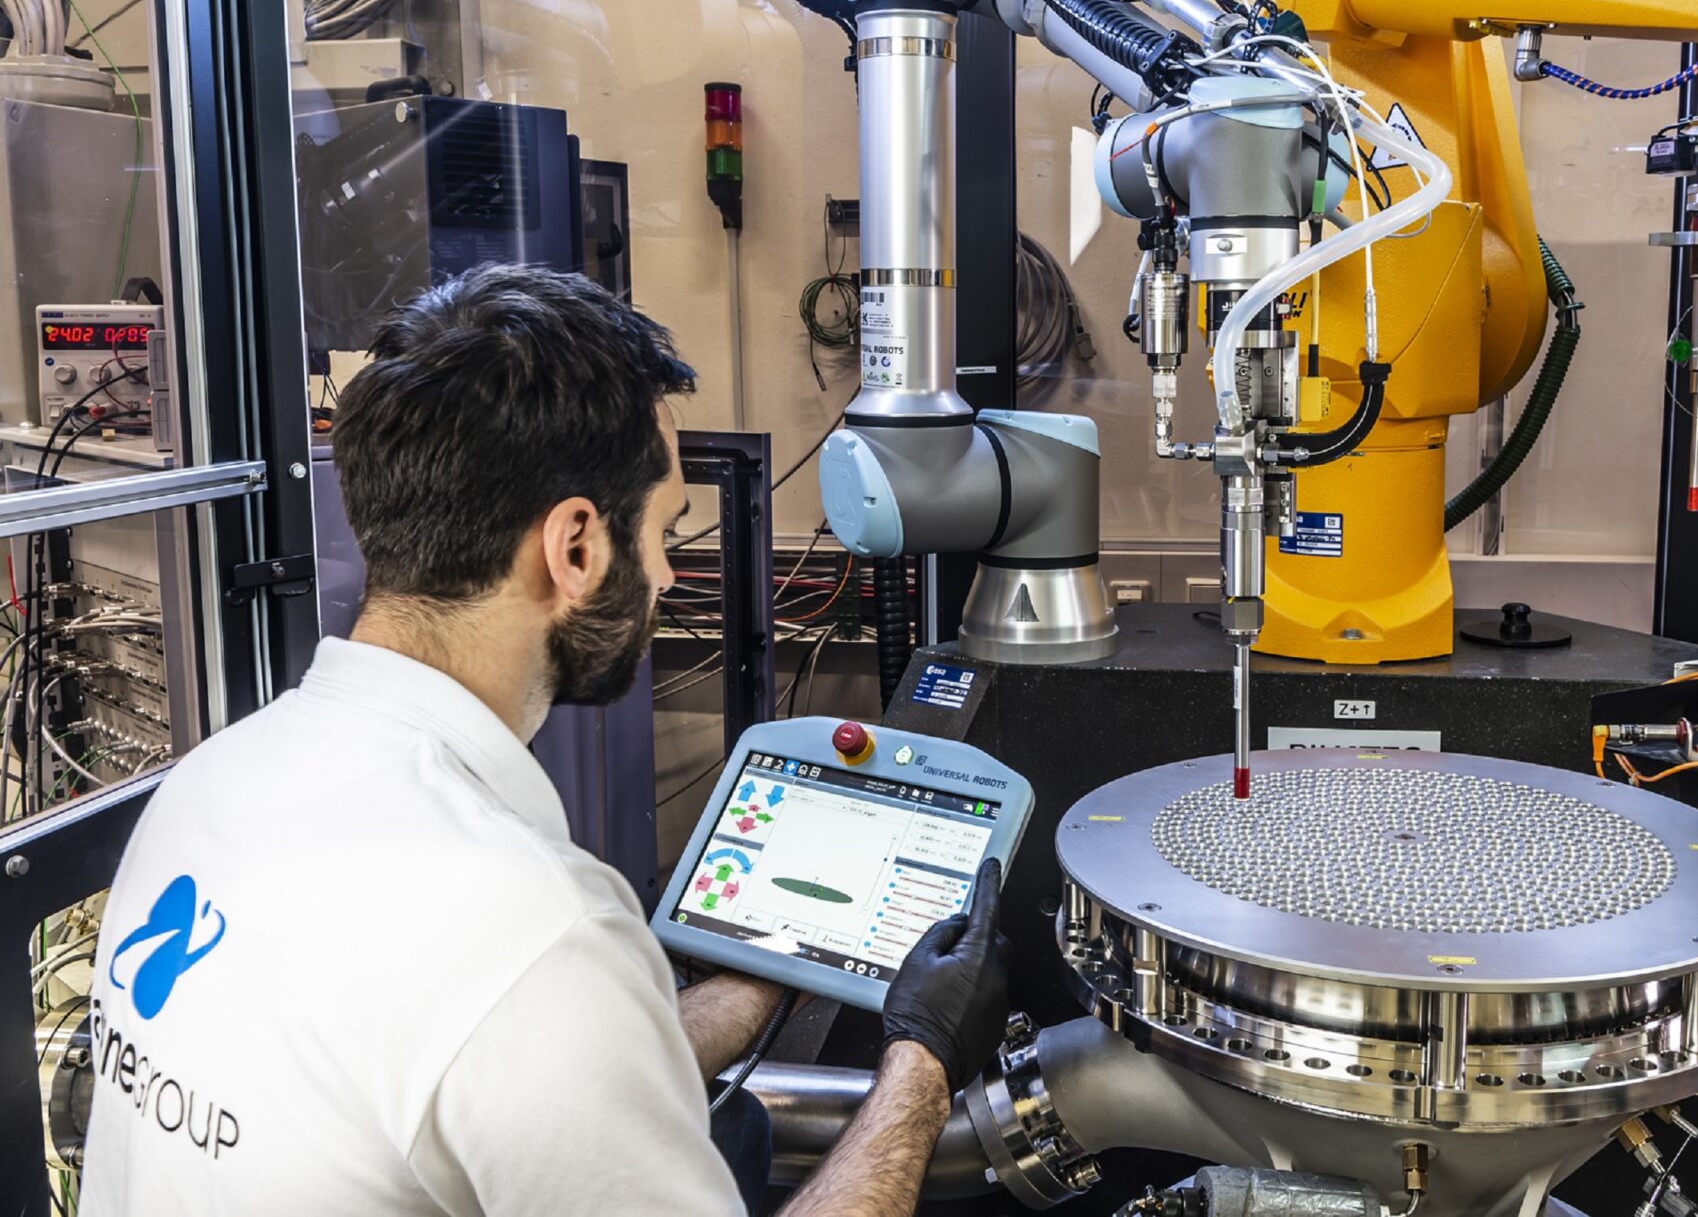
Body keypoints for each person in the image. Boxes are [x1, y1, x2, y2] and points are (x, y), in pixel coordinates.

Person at [78, 265, 1011, 1217]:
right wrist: (923, 1061)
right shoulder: (536, 930)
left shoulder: (211, 783)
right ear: (574, 548)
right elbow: (527, 1009)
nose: (666, 576)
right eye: (664, 532)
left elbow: (504, 1072)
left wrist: (760, 974)